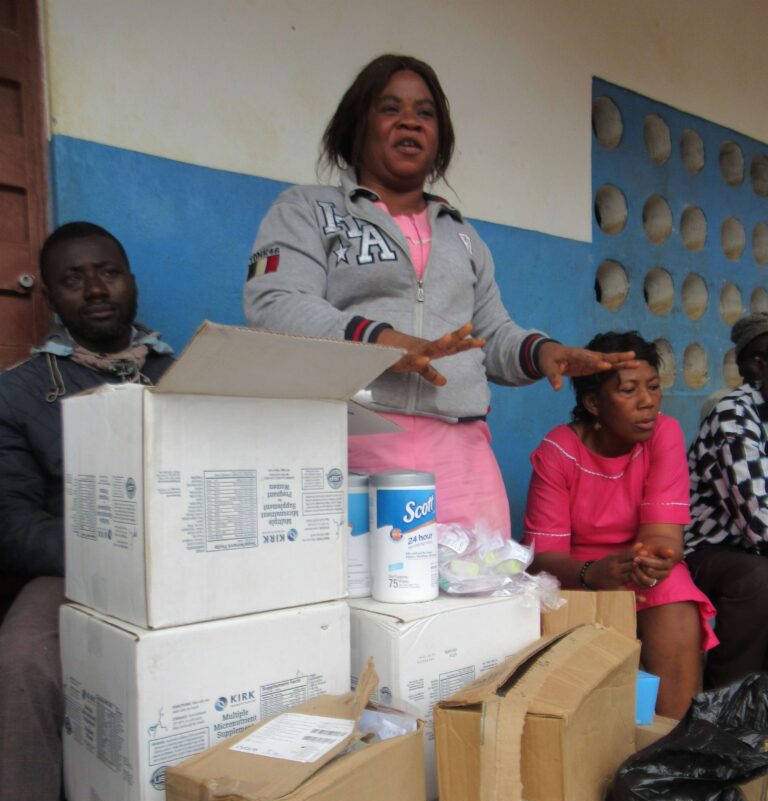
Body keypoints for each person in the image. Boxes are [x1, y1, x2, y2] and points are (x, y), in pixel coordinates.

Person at [243, 53, 634, 536]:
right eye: (390, 108)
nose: (410, 121)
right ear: (357, 125)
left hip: (462, 456)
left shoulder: (464, 236)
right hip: (349, 442)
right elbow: (275, 303)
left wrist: (542, 353)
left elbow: (489, 335)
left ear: (440, 137)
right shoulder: (306, 209)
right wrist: (380, 341)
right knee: (358, 582)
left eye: (425, 113)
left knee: (481, 580)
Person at [0, 222, 174, 801]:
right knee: (21, 666)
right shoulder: (18, 392)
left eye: (109, 272)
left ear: (132, 279)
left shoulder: (181, 373)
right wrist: (108, 553)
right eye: (74, 279)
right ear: (50, 296)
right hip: (72, 569)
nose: (96, 289)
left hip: (186, 564)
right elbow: (12, 525)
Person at [523, 331, 717, 720]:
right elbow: (543, 557)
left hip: (641, 565)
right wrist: (593, 572)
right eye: (629, 390)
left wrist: (654, 559)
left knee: (675, 596)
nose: (648, 401)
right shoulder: (558, 451)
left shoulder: (663, 433)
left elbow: (664, 536)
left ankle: (675, 735)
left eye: (653, 387)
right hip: (575, 572)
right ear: (594, 403)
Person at [686, 313, 768, 690]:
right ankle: (727, 702)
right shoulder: (734, 417)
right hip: (705, 549)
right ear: (757, 366)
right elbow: (760, 525)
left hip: (751, 549)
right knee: (759, 580)